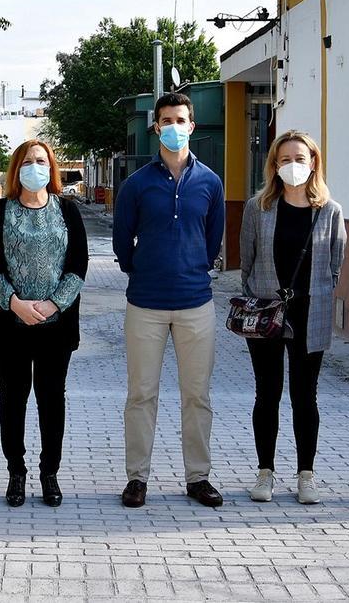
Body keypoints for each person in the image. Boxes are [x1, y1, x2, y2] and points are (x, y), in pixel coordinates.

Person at [112, 91, 226, 508]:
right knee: (141, 394)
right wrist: (141, 272)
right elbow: (123, 244)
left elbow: (213, 239)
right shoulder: (136, 184)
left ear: (191, 126)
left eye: (181, 120)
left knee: (197, 396)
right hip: (145, 305)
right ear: (156, 126)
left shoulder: (210, 182)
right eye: (166, 120)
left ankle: (198, 478)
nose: (174, 127)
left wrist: (193, 270)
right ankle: (136, 479)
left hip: (197, 305)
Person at [239, 130, 346, 505]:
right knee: (266, 394)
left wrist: (309, 294)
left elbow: (335, 265)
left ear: (313, 161)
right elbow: (247, 261)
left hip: (308, 313)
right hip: (266, 313)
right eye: (285, 160)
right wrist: (261, 298)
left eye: (300, 158)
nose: (293, 166)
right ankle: (264, 472)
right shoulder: (258, 207)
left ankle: (306, 475)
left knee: (305, 396)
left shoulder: (329, 210)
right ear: (274, 165)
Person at [0, 139, 88, 508]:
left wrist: (52, 303)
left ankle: (49, 473)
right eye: (27, 161)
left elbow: (78, 266)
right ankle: (16, 472)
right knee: (12, 397)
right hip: (10, 323)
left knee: (51, 397)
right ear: (16, 168)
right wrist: (15, 304)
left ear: (51, 167)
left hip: (56, 325)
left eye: (41, 161)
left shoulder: (68, 212)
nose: (34, 167)